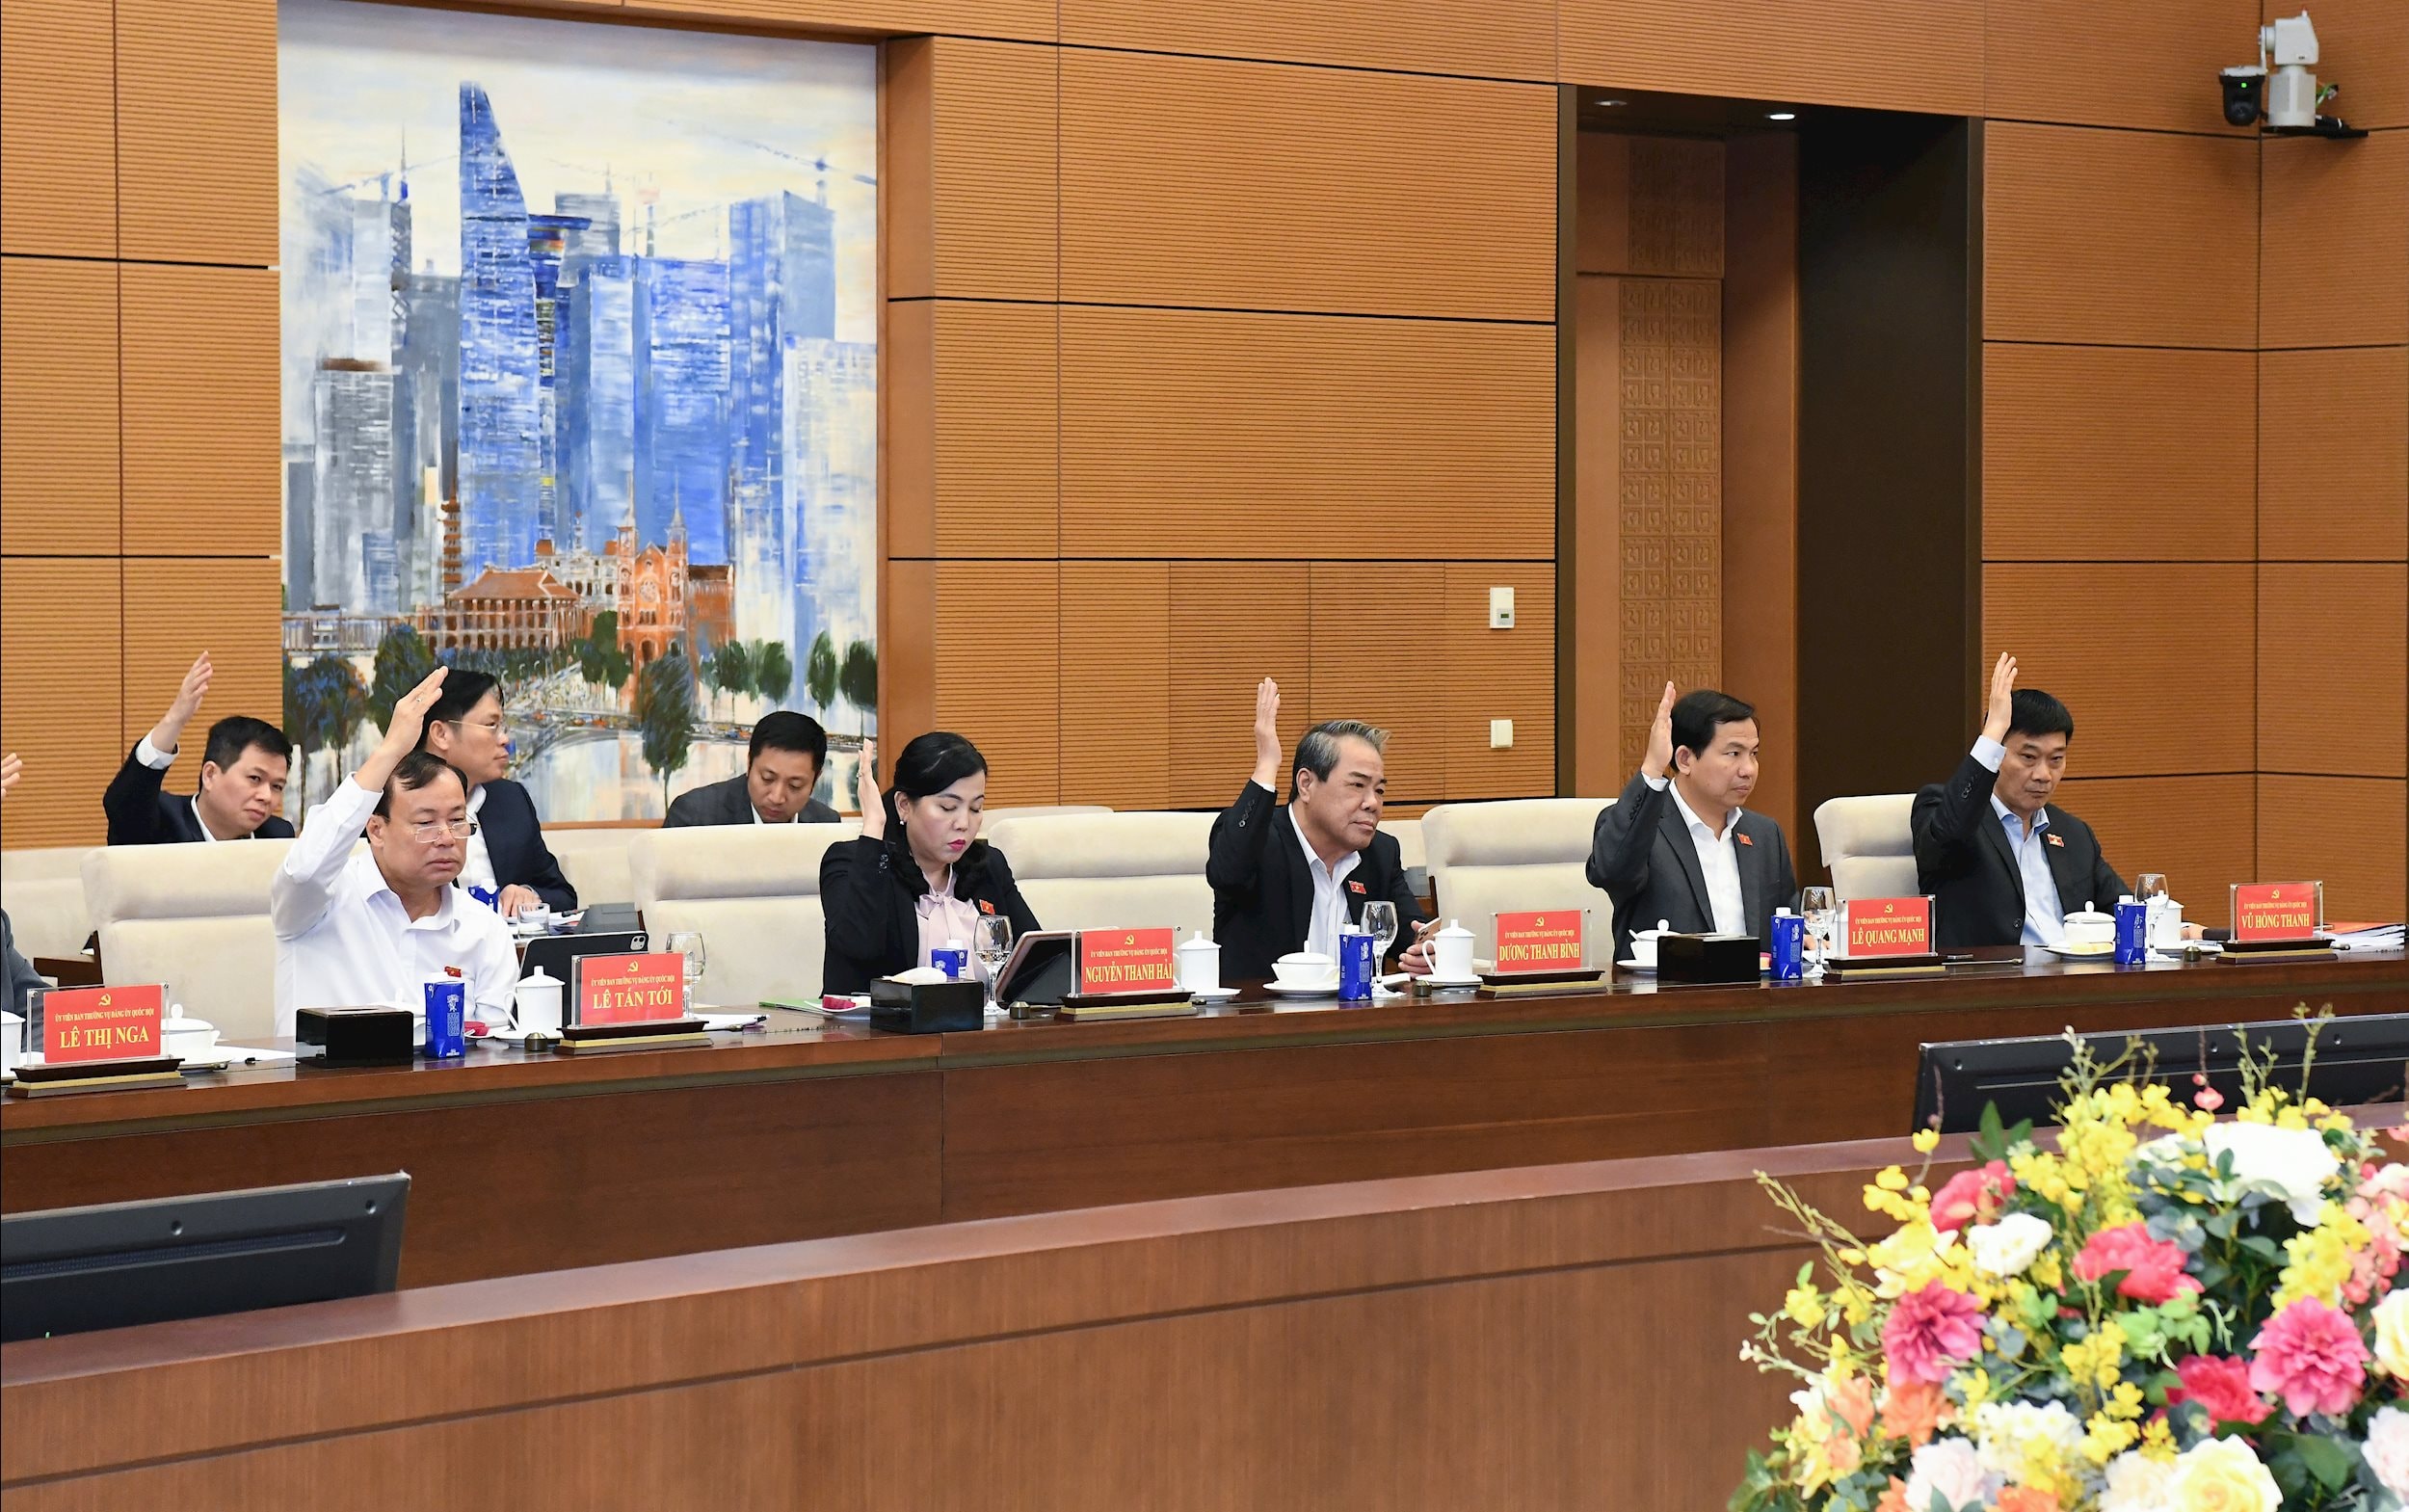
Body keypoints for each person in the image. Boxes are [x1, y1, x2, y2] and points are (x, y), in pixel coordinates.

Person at [270, 668, 517, 1039]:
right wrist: (390, 750)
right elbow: (303, 871)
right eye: (426, 823)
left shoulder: (483, 929)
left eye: (456, 820)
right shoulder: (318, 904)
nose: (446, 838)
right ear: (376, 830)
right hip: (324, 1075)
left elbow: (493, 1048)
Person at [1204, 679, 1433, 983]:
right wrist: (1267, 764)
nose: (1372, 803)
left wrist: (1427, 952)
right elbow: (1227, 873)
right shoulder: (1259, 842)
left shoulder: (1380, 853)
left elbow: (1413, 936)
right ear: (1306, 784)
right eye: (1357, 785)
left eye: (1379, 790)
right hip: (1262, 1011)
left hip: (1354, 1011)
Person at [1913, 653, 2131, 950]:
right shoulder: (1946, 811)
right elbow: (1949, 832)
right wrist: (1993, 731)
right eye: (2028, 757)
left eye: (2056, 759)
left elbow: (2123, 908)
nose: (2044, 775)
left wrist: (2178, 929)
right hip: (1994, 976)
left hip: (2072, 973)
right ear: (1998, 753)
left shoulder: (2073, 833)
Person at [1585, 682, 1799, 965]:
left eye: (1754, 754)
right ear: (1685, 759)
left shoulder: (1764, 834)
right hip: (1667, 990)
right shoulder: (1642, 830)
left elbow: (1789, 922)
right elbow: (1611, 871)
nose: (1748, 769)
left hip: (1753, 990)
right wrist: (1652, 768)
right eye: (1733, 754)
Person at [819, 734, 1041, 995]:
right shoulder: (852, 862)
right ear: (904, 805)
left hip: (981, 1021)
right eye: (948, 807)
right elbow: (859, 947)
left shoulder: (989, 866)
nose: (963, 824)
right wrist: (874, 826)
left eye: (975, 808)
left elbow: (1037, 962)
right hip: (884, 1022)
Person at [414, 670, 575, 917]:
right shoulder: (393, 809)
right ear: (441, 734)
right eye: (491, 725)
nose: (504, 739)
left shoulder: (511, 801)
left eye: (502, 727)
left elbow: (563, 895)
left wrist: (528, 894)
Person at [102, 651, 294, 844]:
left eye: (277, 786)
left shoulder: (277, 836)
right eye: (255, 778)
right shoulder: (164, 821)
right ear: (210, 775)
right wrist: (174, 720)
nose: (266, 797)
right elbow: (124, 804)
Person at [664, 711, 841, 827]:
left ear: (815, 779)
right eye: (767, 778)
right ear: (749, 764)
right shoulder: (694, 816)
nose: (777, 797)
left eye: (795, 785)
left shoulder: (826, 823)